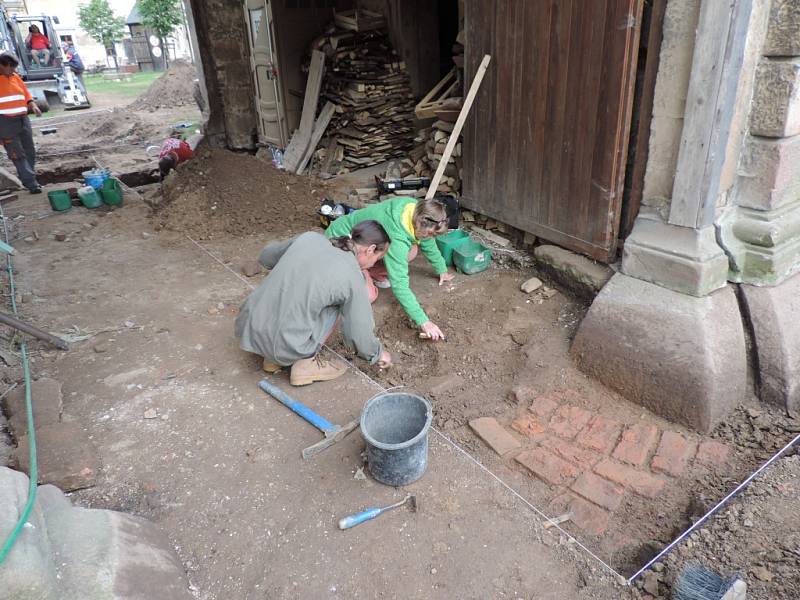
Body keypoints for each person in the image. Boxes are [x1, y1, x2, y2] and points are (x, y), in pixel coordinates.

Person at [235, 221, 393, 386]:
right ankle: (303, 364)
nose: (375, 264)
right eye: (378, 258)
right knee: (340, 303)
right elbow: (358, 332)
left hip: (247, 325)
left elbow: (266, 257)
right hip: (284, 345)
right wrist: (378, 354)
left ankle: (272, 359)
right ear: (370, 249)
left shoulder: (309, 238)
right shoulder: (352, 277)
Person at [325, 197, 454, 340]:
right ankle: (362, 273)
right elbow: (399, 284)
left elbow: (428, 241)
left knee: (411, 251)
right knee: (369, 295)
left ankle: (369, 271)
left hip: (366, 247)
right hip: (342, 245)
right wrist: (424, 321)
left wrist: (441, 268)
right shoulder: (397, 237)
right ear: (420, 222)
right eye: (430, 233)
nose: (431, 237)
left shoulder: (414, 208)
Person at [0, 52, 42, 194]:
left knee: (29, 150)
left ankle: (29, 178)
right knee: (17, 154)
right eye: (11, 67)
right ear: (1, 66)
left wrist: (33, 105)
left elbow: (25, 94)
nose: (13, 70)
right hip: (5, 122)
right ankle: (31, 183)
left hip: (23, 119)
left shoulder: (15, 77)